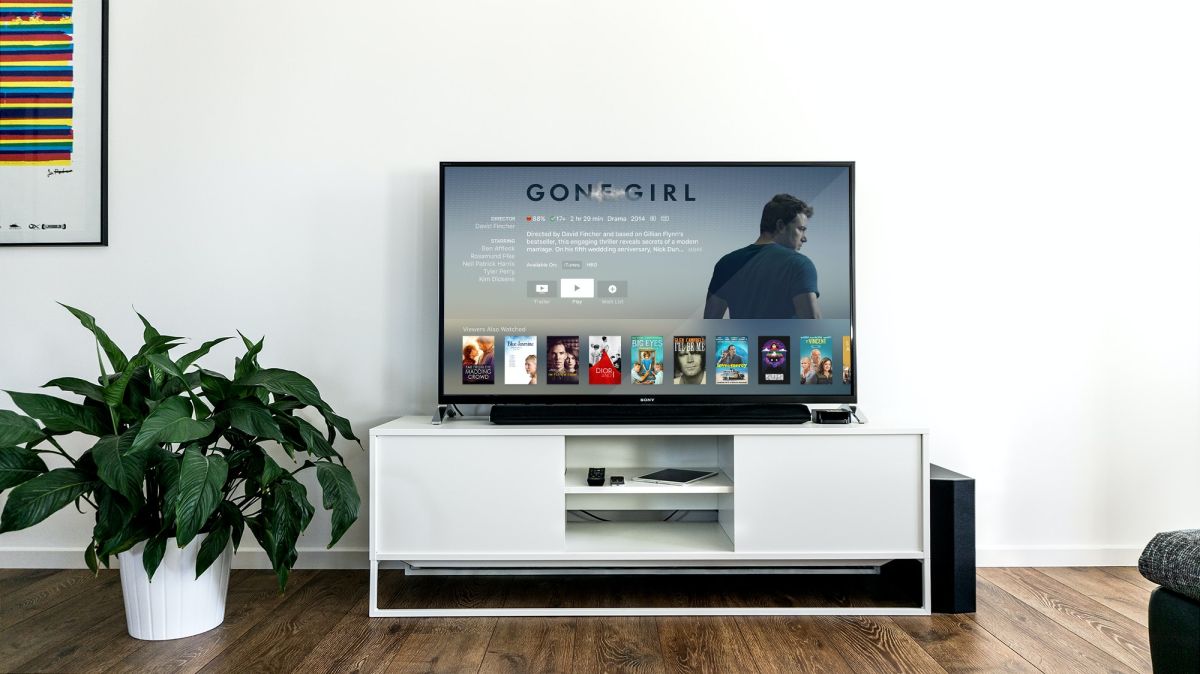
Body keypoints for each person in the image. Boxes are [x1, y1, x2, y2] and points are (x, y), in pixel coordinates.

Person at [704, 194, 821, 319]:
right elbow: (814, 329)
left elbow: (710, 323)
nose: (804, 238)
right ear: (781, 226)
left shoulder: (726, 263)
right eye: (801, 229)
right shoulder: (799, 264)